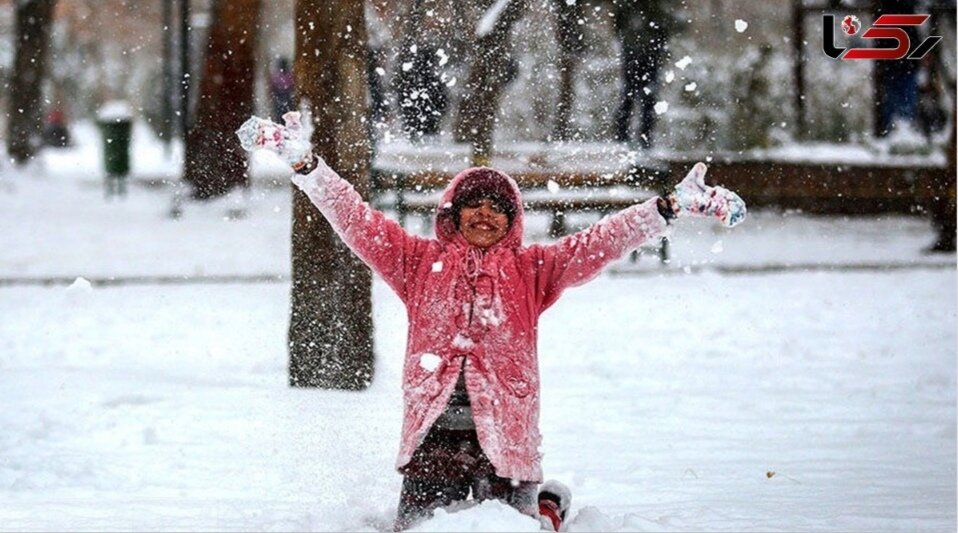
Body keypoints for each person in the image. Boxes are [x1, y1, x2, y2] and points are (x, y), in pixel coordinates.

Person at [236, 112, 746, 531]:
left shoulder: (533, 270)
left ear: (513, 220)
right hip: (432, 439)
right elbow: (355, 218)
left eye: (497, 208)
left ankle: (544, 507)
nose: (484, 215)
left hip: (506, 437)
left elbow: (600, 241)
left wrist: (668, 208)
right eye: (472, 206)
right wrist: (306, 164)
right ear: (451, 216)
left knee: (510, 528)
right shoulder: (415, 262)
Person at [612, 0, 676, 148]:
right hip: (639, 52)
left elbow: (619, 24)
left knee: (638, 96)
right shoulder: (636, 7)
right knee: (634, 95)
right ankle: (631, 137)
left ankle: (637, 138)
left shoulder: (647, 7)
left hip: (644, 52)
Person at [269, 58, 296, 122]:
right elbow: (292, 86)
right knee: (285, 113)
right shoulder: (289, 75)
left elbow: (273, 87)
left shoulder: (276, 76)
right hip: (286, 97)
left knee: (280, 114)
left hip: (280, 97)